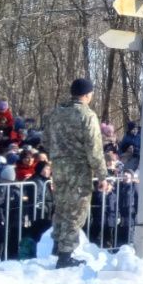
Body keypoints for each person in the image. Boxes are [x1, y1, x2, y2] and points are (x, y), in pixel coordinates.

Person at [42, 78, 106, 268]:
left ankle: (57, 244)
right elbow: (94, 149)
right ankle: (65, 255)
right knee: (76, 211)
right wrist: (102, 175)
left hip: (59, 168)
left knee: (61, 206)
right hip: (78, 169)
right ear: (87, 94)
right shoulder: (87, 115)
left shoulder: (55, 113)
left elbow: (45, 140)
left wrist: (58, 155)